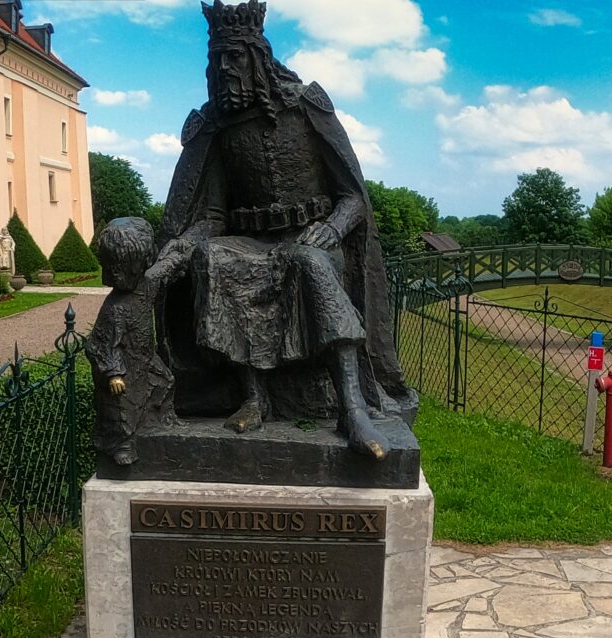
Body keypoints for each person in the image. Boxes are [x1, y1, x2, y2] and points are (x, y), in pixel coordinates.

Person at [150, 0, 414, 460]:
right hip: (250, 241)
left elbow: (353, 195)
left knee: (308, 263)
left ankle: (352, 405)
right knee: (212, 258)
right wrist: (182, 245)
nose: (224, 68)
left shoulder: (305, 107)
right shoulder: (218, 127)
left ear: (257, 57)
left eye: (234, 57)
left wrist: (331, 229)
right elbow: (210, 214)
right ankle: (254, 395)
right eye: (217, 59)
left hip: (313, 239)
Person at [86, 217, 178, 466]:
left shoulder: (145, 286)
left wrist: (178, 255)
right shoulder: (115, 309)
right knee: (121, 407)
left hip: (145, 359)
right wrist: (113, 373)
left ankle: (163, 419)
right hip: (123, 367)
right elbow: (99, 344)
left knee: (165, 382)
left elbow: (163, 270)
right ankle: (121, 445)